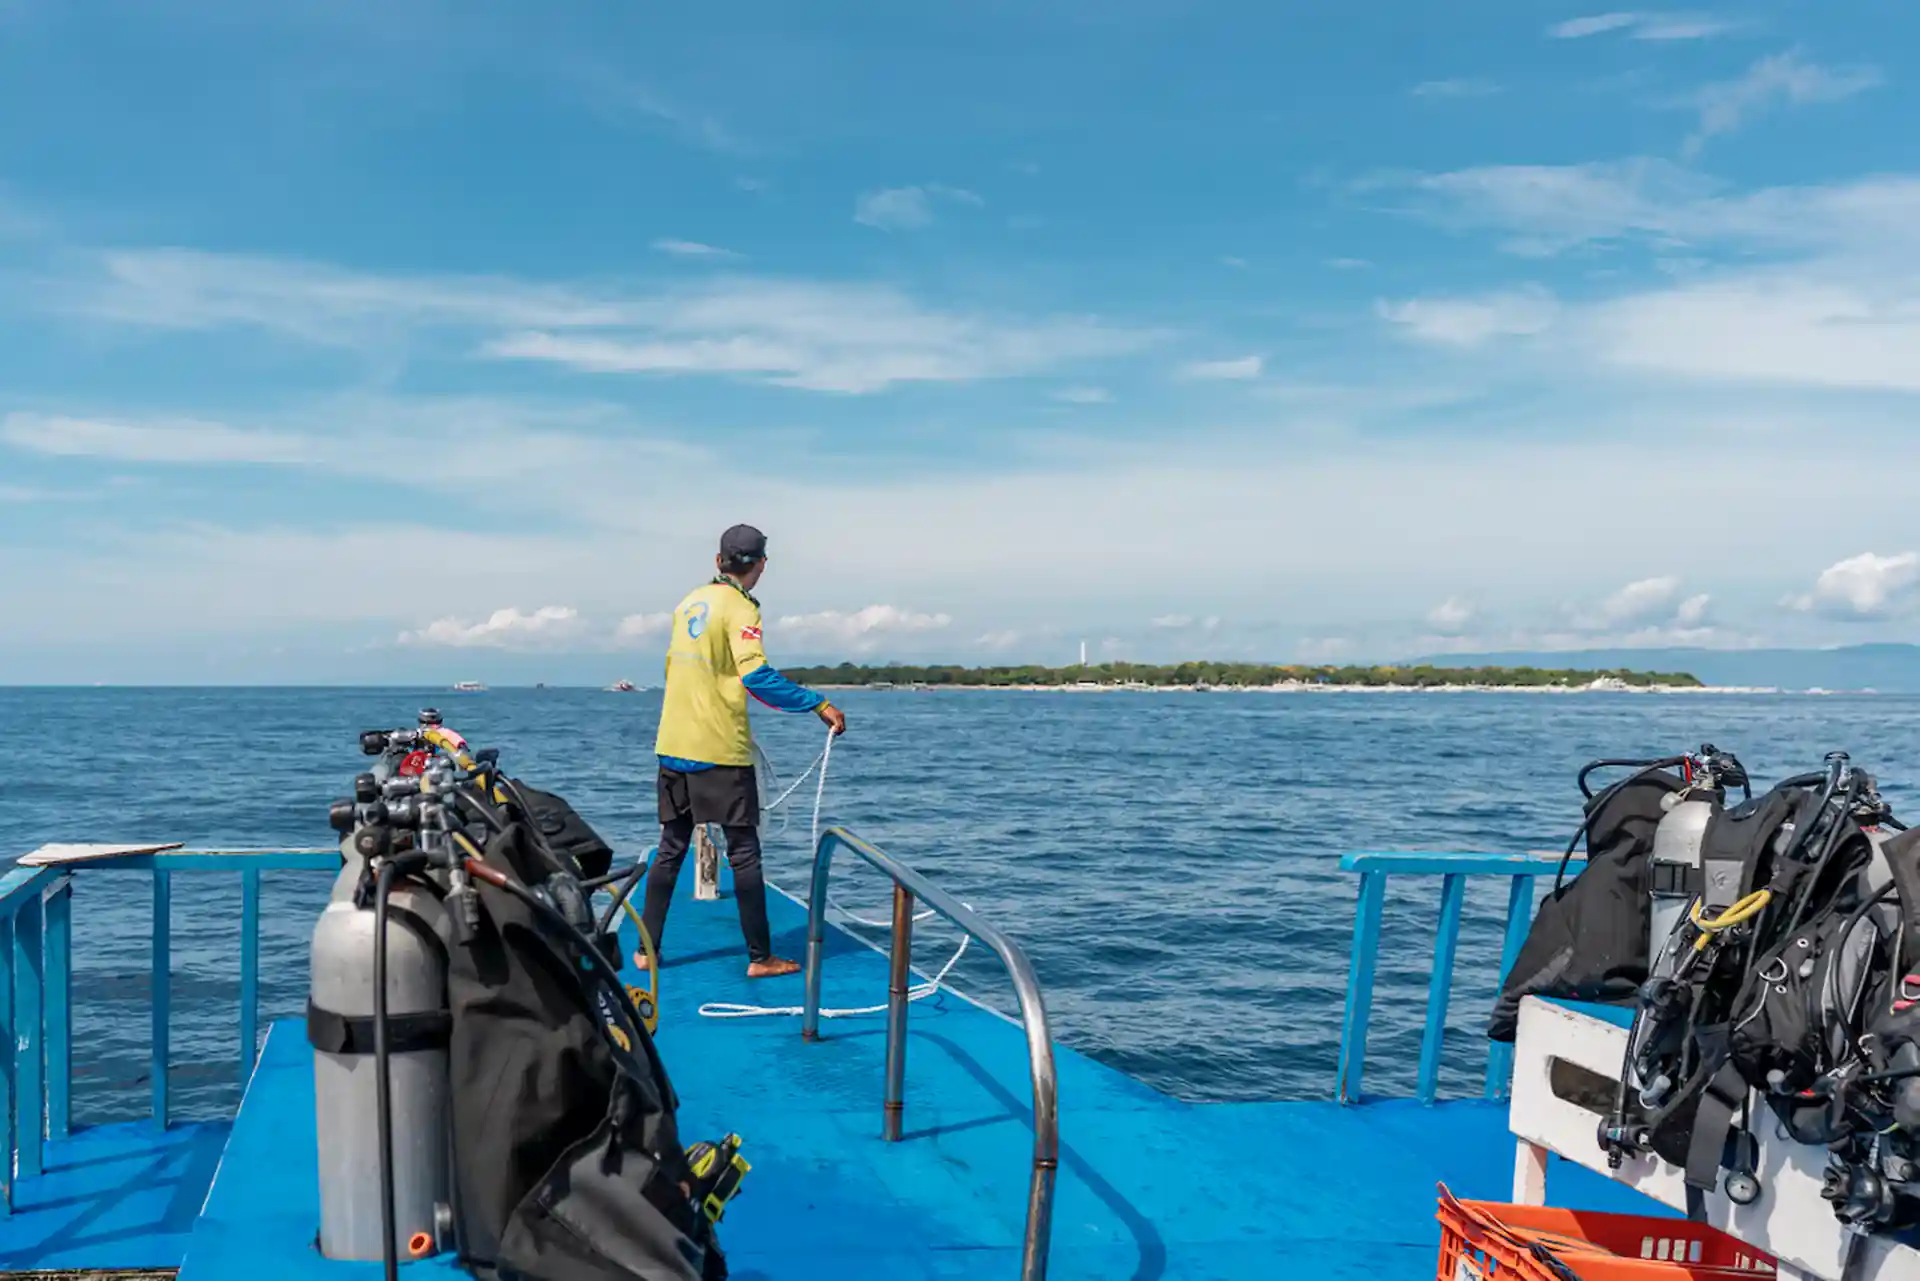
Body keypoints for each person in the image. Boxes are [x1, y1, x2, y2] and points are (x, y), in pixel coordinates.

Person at [640, 524, 847, 978]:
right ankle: (760, 958)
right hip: (718, 749)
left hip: (672, 743)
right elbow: (756, 677)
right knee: (744, 853)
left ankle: (645, 949)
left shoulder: (688, 602)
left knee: (671, 847)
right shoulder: (741, 609)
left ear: (718, 562)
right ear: (761, 566)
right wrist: (818, 703)